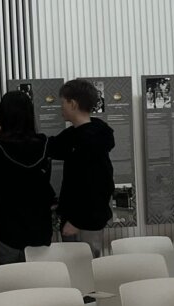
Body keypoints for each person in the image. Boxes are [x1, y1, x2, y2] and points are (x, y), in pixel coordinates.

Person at [0, 91, 55, 264]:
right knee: (42, 279)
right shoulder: (43, 144)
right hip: (39, 229)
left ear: (3, 115)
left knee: (9, 279)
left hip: (7, 229)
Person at [48, 79, 114, 257]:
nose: (61, 107)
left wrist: (77, 222)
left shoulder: (92, 140)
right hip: (75, 220)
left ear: (73, 104)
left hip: (84, 224)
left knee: (84, 267)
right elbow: (51, 146)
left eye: (63, 102)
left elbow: (99, 187)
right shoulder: (74, 135)